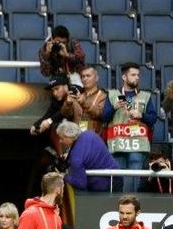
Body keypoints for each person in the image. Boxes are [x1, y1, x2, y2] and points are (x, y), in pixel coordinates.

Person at [101, 62, 157, 193]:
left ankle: (134, 206)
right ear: (124, 77)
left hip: (138, 145)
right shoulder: (113, 95)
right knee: (118, 180)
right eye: (133, 75)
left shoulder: (145, 96)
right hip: (118, 144)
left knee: (135, 180)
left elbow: (153, 119)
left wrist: (141, 115)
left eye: (138, 75)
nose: (136, 77)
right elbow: (104, 118)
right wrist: (115, 107)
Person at [55, 120, 120, 192]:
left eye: (61, 138)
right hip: (116, 176)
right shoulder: (90, 133)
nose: (60, 141)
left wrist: (64, 176)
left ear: (69, 137)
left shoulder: (76, 157)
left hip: (102, 187)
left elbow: (81, 183)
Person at [30, 76, 83, 156]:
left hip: (84, 128)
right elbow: (49, 114)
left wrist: (49, 121)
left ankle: (63, 156)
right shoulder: (56, 100)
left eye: (57, 89)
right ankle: (62, 157)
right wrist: (36, 125)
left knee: (56, 126)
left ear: (65, 86)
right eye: (52, 90)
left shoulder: (74, 92)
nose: (55, 93)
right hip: (74, 132)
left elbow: (64, 112)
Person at [75, 65, 107, 138]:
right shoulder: (78, 94)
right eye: (83, 76)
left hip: (94, 137)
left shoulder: (103, 96)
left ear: (96, 78)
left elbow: (100, 114)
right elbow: (66, 114)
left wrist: (84, 103)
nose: (85, 79)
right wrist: (67, 103)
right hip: (76, 136)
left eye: (88, 76)